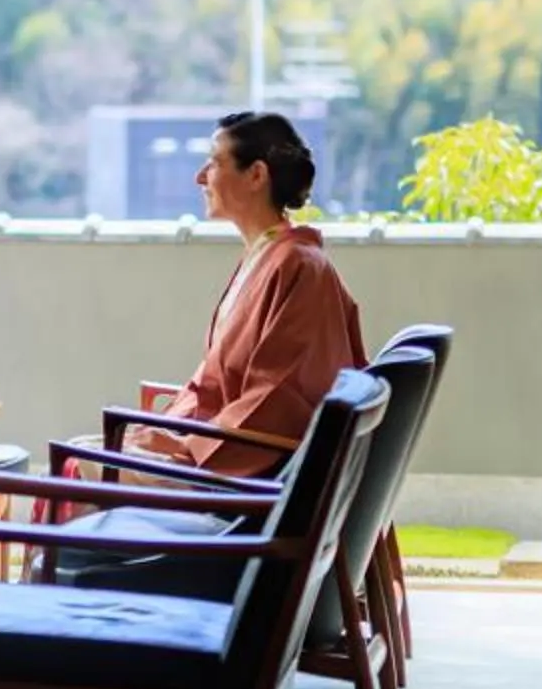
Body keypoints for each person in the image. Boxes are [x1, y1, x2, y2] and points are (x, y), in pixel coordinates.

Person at [127, 110, 366, 478]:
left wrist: (188, 445)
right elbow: (210, 383)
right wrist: (167, 430)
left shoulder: (298, 267)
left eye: (214, 163)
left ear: (256, 175)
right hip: (215, 445)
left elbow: (278, 395)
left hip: (241, 474)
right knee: (91, 452)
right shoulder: (267, 257)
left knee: (78, 466)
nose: (200, 177)